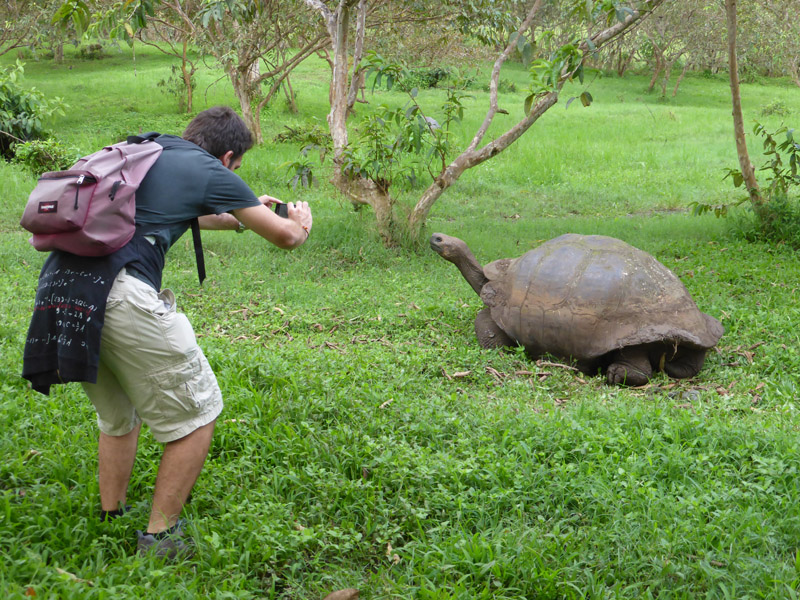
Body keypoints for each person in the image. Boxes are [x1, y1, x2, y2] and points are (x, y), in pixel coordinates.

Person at [22, 106, 313, 559]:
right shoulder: (210, 170)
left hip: (62, 291)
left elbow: (183, 214)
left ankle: (110, 514)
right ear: (229, 156)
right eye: (236, 169)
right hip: (121, 294)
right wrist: (299, 222)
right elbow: (286, 239)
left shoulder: (146, 150)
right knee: (198, 413)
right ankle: (161, 539)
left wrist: (244, 212)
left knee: (118, 415)